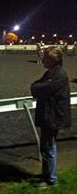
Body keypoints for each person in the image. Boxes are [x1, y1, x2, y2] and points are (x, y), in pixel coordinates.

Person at [30, 46, 71, 187]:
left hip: (52, 117)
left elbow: (38, 88)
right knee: (46, 147)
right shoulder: (51, 73)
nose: (43, 60)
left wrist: (36, 87)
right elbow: (36, 86)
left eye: (45, 58)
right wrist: (36, 87)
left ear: (53, 60)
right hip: (50, 115)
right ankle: (46, 176)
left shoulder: (58, 75)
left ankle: (51, 180)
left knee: (48, 148)